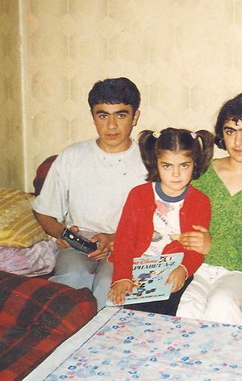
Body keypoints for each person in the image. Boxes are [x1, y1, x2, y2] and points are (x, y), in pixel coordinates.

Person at [32, 77, 147, 310]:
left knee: (109, 285)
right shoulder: (72, 156)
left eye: (121, 115)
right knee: (71, 281)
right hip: (80, 244)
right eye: (103, 115)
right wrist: (61, 233)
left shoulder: (150, 161)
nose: (111, 125)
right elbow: (43, 211)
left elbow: (159, 220)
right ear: (93, 116)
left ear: (135, 117)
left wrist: (114, 238)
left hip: (127, 243)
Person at [176, 93, 242, 325]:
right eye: (230, 131)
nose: (238, 141)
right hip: (199, 266)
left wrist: (213, 246)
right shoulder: (204, 173)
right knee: (187, 310)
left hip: (241, 271)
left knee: (222, 305)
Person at [108, 128, 214, 316]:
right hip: (136, 267)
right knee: (126, 309)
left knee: (170, 308)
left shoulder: (200, 201)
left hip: (175, 267)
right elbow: (124, 240)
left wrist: (183, 269)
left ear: (195, 163)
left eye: (184, 166)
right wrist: (122, 277)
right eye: (167, 166)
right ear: (155, 163)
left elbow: (196, 249)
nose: (176, 174)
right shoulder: (138, 195)